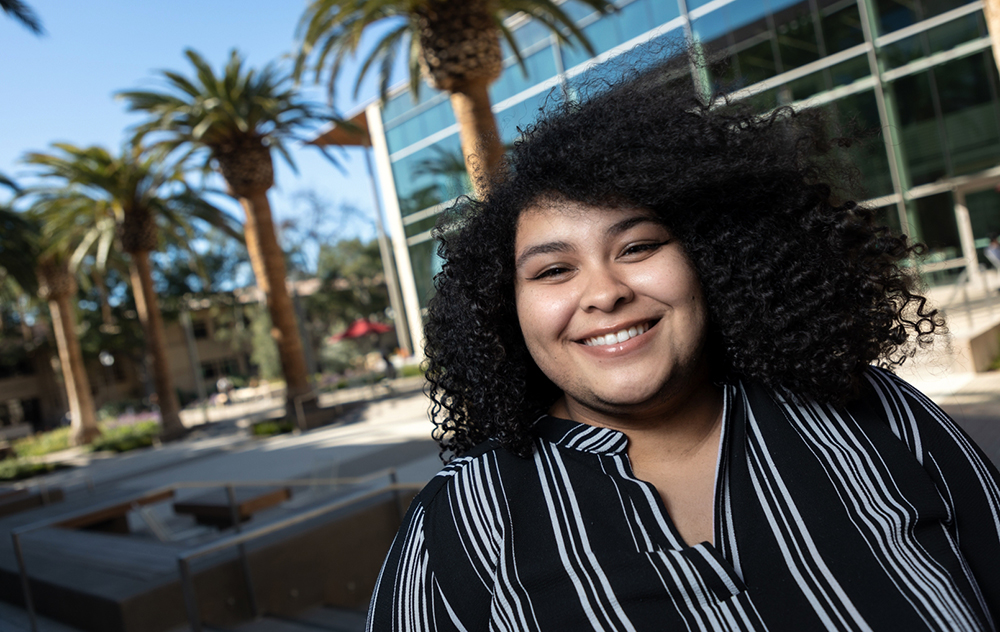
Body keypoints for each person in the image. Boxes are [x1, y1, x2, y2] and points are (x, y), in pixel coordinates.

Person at [366, 57, 1000, 631]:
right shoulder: (458, 528)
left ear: (714, 259)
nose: (605, 293)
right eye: (554, 270)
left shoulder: (874, 416)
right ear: (509, 310)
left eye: (638, 248)